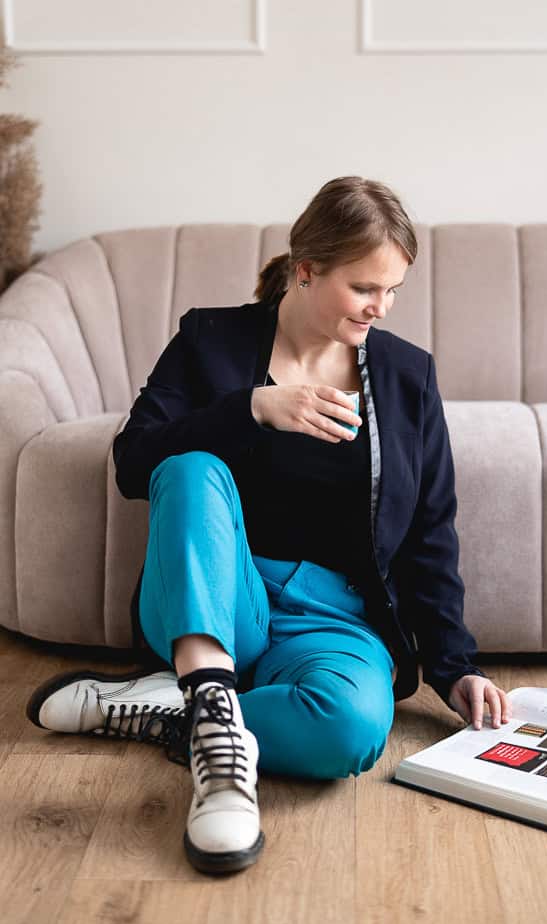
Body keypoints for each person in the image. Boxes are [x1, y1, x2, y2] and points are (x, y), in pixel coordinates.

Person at [27, 176, 512, 876]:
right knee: (191, 468)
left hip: (336, 618)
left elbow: (429, 532)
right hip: (221, 596)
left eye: (393, 289)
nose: (381, 306)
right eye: (363, 287)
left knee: (349, 730)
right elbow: (134, 462)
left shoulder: (407, 376)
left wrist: (454, 666)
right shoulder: (210, 340)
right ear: (306, 269)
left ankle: (185, 711)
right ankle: (218, 738)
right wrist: (250, 409)